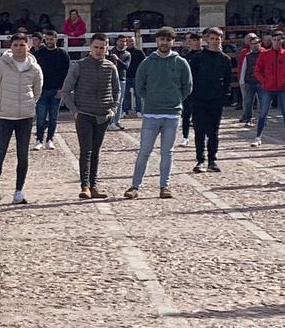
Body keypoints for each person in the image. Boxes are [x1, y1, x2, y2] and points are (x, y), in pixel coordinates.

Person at [125, 27, 194, 199]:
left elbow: (188, 86)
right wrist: (151, 99)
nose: (164, 43)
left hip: (172, 114)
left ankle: (165, 186)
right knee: (144, 151)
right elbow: (140, 86)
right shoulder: (147, 63)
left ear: (173, 41)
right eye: (161, 39)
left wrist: (175, 99)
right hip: (151, 114)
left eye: (168, 39)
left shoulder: (181, 63)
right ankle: (135, 186)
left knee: (167, 152)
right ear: (157, 41)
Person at [0, 33, 42, 206]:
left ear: (28, 46)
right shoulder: (0, 66)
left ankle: (18, 191)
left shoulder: (34, 68)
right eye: (15, 45)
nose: (19, 48)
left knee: (22, 155)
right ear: (11, 47)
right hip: (5, 117)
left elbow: (37, 90)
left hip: (25, 117)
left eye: (22, 45)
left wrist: (28, 105)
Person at [60, 32, 121, 199]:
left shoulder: (110, 67)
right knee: (85, 151)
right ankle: (85, 185)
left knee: (96, 151)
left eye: (102, 48)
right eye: (96, 47)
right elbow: (66, 90)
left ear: (107, 48)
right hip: (84, 114)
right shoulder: (79, 65)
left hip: (102, 115)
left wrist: (113, 109)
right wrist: (75, 111)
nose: (99, 51)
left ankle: (94, 185)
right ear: (90, 47)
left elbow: (117, 90)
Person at [186, 27, 232, 173]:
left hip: (215, 99)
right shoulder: (198, 57)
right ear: (207, 40)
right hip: (199, 99)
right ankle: (200, 160)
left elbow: (227, 80)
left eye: (217, 39)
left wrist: (225, 96)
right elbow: (190, 78)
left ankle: (212, 160)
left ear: (221, 40)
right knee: (199, 130)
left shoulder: (225, 59)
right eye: (212, 38)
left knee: (214, 131)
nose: (214, 41)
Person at [251, 29, 285, 147]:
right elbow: (257, 70)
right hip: (268, 88)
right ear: (271, 40)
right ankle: (258, 137)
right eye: (274, 40)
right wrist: (264, 81)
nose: (276, 42)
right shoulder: (265, 54)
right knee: (263, 113)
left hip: (282, 88)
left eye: (278, 40)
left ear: (282, 40)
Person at [32, 31, 71, 150]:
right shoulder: (39, 54)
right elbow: (34, 73)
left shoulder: (62, 53)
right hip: (42, 90)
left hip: (56, 89)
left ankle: (50, 139)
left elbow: (67, 72)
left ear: (56, 39)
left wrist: (62, 89)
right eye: (47, 39)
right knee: (41, 117)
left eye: (51, 39)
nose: (49, 41)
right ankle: (39, 140)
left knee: (53, 117)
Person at [235, 32, 262, 125]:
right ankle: (247, 117)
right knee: (248, 101)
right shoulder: (246, 54)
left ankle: (261, 118)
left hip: (261, 81)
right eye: (252, 43)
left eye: (256, 43)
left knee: (262, 102)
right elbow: (243, 67)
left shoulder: (265, 54)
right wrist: (241, 80)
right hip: (249, 80)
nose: (254, 45)